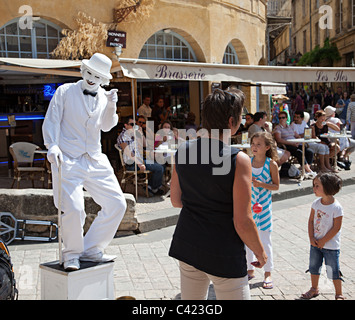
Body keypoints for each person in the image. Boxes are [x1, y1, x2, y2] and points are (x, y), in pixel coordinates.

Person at [169, 87, 267, 300]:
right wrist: (259, 251)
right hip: (223, 250)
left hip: (187, 242)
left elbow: (176, 201)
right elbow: (243, 220)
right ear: (232, 122)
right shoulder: (238, 159)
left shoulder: (183, 150)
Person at [42, 53, 127, 271]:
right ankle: (71, 253)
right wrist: (52, 145)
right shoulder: (64, 92)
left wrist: (111, 106)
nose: (91, 78)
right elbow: (52, 119)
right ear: (83, 71)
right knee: (74, 208)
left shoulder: (103, 98)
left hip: (95, 158)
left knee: (117, 203)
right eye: (89, 72)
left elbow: (107, 126)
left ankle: (91, 249)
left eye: (96, 75)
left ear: (103, 79)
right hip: (69, 158)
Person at [301, 172, 345, 300]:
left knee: (334, 270)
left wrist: (324, 241)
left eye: (317, 186)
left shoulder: (336, 207)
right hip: (315, 244)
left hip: (331, 246)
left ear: (327, 187)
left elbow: (336, 227)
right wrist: (311, 238)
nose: (314, 188)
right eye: (313, 185)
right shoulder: (316, 204)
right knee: (314, 267)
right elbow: (310, 221)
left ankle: (338, 293)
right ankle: (314, 288)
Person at [246, 132, 280, 289]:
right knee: (247, 240)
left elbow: (276, 186)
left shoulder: (271, 164)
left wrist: (261, 184)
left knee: (265, 240)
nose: (254, 146)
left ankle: (268, 273)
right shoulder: (247, 162)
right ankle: (249, 269)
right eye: (253, 143)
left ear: (267, 147)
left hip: (264, 208)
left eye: (258, 144)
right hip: (249, 206)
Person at [117, 117, 165, 196]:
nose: (134, 126)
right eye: (132, 124)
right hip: (132, 164)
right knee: (159, 168)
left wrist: (141, 133)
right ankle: (153, 188)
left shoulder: (133, 134)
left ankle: (151, 186)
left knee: (161, 164)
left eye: (135, 125)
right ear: (125, 125)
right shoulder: (123, 137)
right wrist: (139, 163)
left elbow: (144, 144)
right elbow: (128, 152)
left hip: (140, 160)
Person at [273, 111, 316, 179]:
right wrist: (291, 143)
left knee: (310, 152)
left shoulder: (290, 127)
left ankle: (306, 170)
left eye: (283, 117)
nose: (281, 119)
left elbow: (297, 135)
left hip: (294, 144)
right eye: (280, 118)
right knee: (299, 152)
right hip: (286, 145)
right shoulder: (278, 128)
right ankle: (309, 170)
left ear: (286, 118)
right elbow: (278, 140)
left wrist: (299, 140)